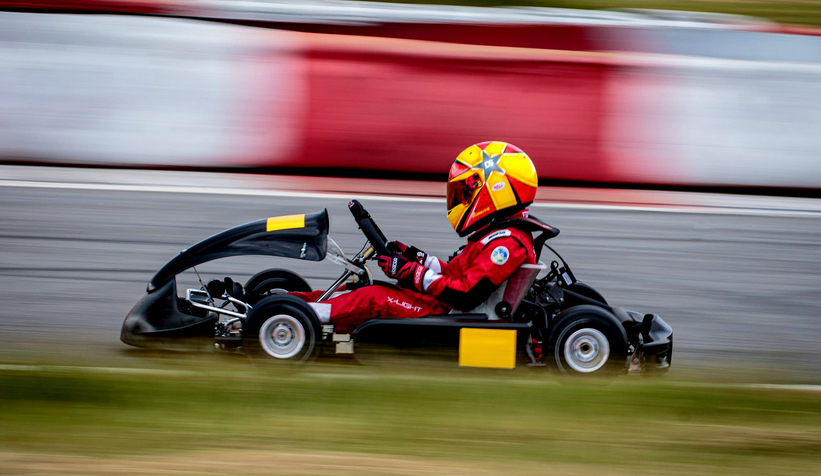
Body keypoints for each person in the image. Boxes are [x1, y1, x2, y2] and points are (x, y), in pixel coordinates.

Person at [291, 141, 541, 333]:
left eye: (466, 193)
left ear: (495, 192)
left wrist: (413, 273)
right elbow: (455, 274)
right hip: (450, 308)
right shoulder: (499, 236)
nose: (460, 199)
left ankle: (291, 318)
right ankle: (288, 301)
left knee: (372, 298)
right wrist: (415, 258)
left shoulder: (507, 244)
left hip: (459, 316)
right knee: (359, 289)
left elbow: (466, 295)